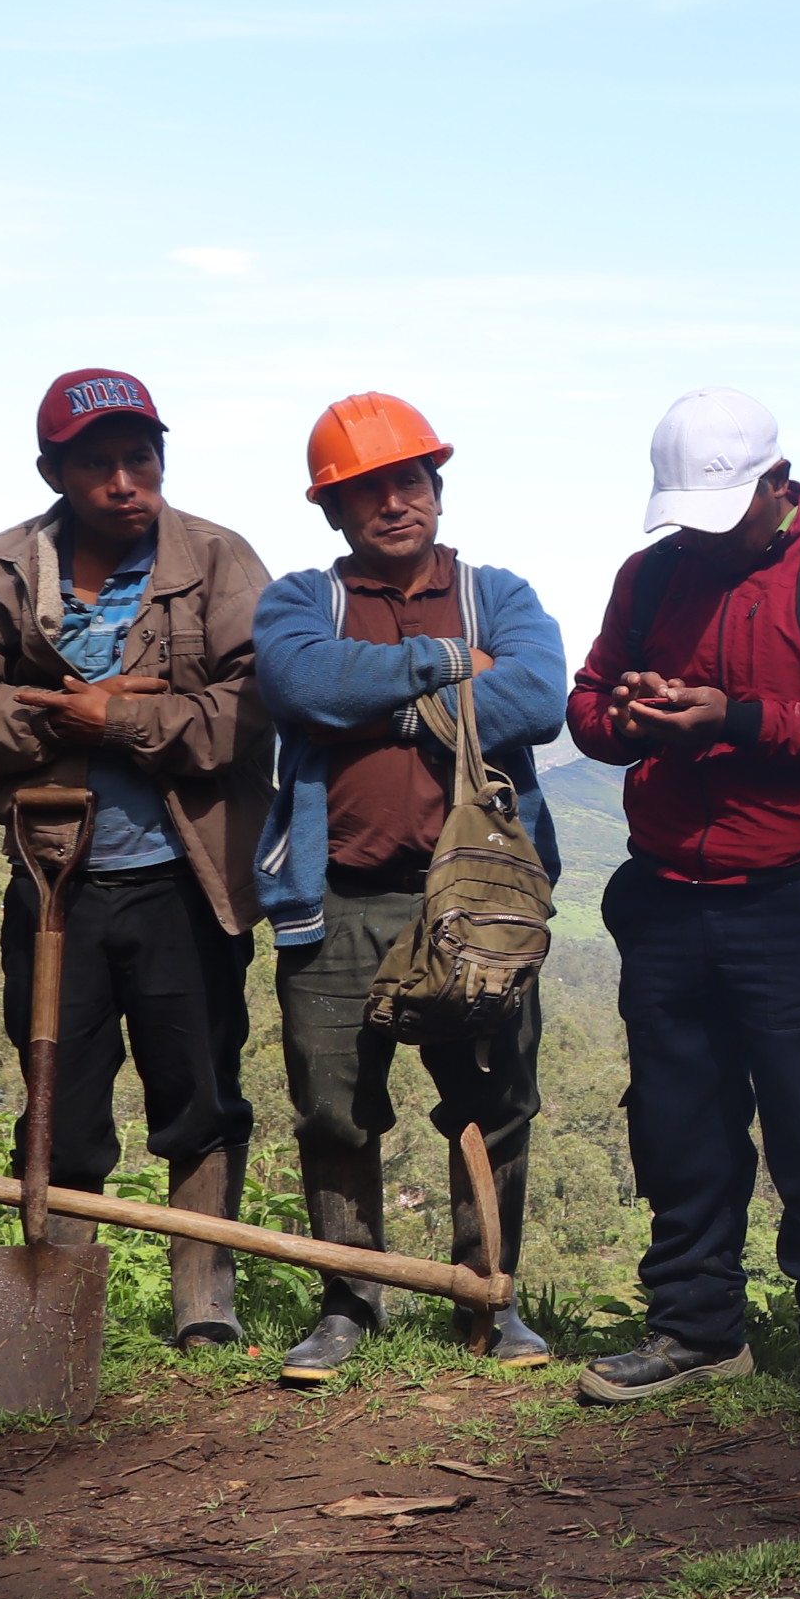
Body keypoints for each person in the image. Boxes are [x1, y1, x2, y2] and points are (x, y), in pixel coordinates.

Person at [565, 391, 800, 1424]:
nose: (705, 538)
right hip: (668, 888)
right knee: (679, 1118)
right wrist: (626, 718)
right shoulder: (652, 575)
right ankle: (696, 1325)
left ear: (779, 485)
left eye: (723, 514)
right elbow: (588, 705)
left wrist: (733, 717)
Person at [0, 372, 272, 1343]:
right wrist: (53, 723)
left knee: (198, 1093)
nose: (124, 480)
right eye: (96, 462)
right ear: (55, 473)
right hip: (52, 879)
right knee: (59, 1101)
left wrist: (123, 716)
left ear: (162, 459)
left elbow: (255, 704)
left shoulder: (219, 560)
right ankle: (56, 1317)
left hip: (187, 883)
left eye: (140, 457)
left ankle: (206, 1304)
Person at [251, 393, 568, 1382]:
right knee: (336, 1109)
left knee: (492, 1102)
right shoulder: (302, 600)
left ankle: (491, 1300)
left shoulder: (497, 593)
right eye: (367, 490)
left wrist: (374, 703)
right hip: (337, 897)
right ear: (333, 512)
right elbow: (301, 685)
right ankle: (350, 1303)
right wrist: (439, 671)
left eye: (410, 479)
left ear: (437, 485)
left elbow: (540, 695)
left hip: (474, 909)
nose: (395, 501)